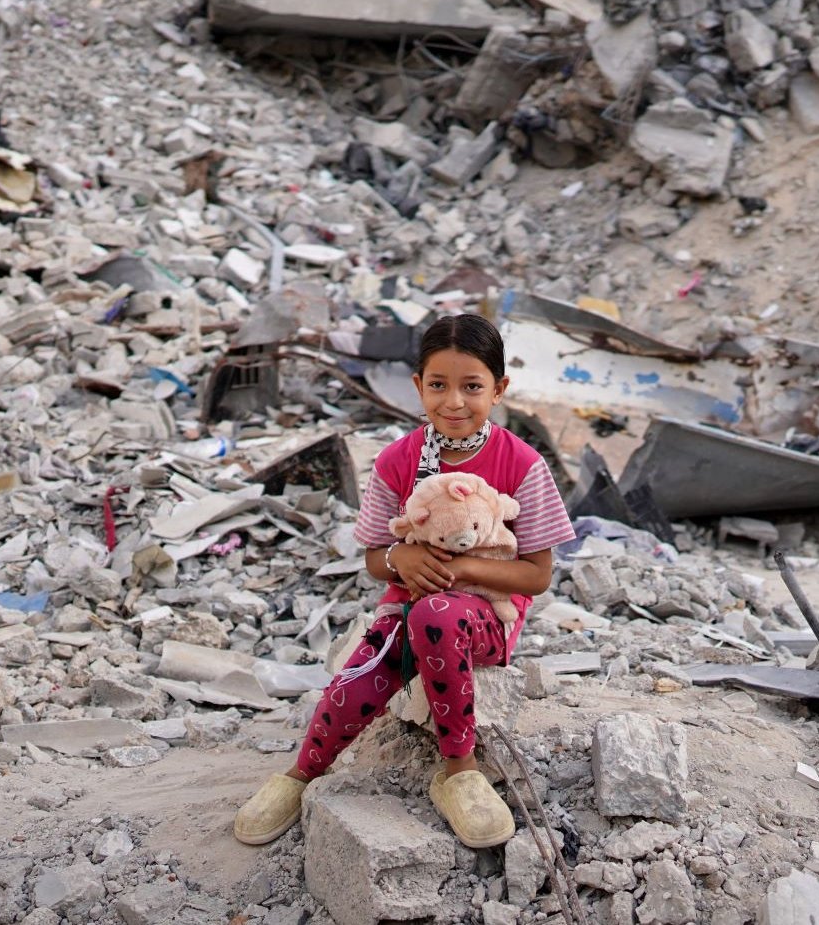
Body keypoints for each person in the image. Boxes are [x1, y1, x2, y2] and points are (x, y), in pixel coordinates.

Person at [233, 313, 575, 848]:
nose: (453, 402)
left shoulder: (523, 465)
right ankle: (301, 773)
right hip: (408, 606)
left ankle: (458, 772)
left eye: (472, 387)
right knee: (364, 669)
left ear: (500, 389)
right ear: (418, 386)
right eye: (437, 385)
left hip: (483, 617)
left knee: (438, 614)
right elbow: (374, 555)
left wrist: (459, 569)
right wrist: (400, 559)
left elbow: (536, 575)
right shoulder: (399, 460)